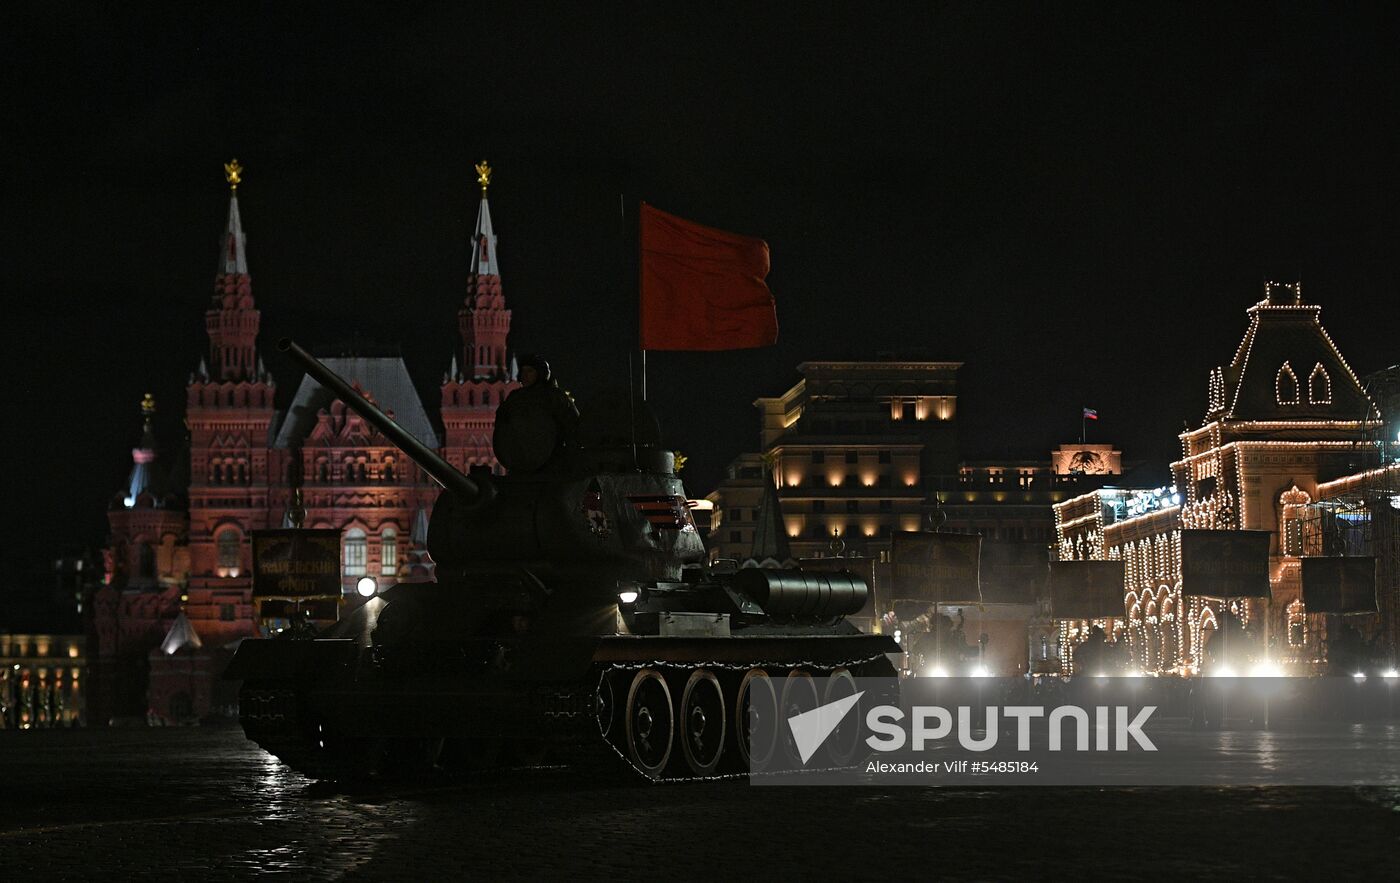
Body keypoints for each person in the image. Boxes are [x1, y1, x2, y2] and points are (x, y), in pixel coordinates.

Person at [495, 354, 581, 471]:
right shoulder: (515, 398)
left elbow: (573, 426)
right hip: (520, 464)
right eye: (523, 371)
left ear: (540, 373)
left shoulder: (554, 397)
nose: (525, 375)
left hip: (553, 464)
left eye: (530, 371)